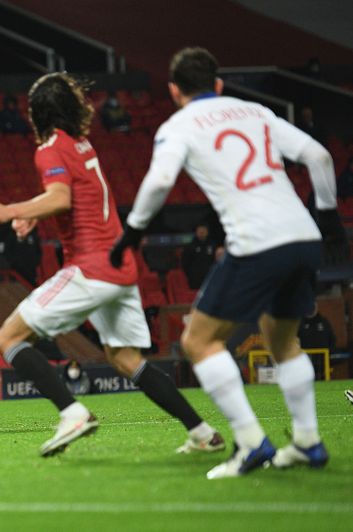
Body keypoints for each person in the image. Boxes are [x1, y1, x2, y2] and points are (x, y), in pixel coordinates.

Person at [110, 47, 343, 478]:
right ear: (218, 84)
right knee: (282, 339)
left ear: (174, 90)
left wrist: (134, 231)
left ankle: (252, 443)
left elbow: (161, 180)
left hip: (257, 242)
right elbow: (320, 157)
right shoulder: (255, 111)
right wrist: (329, 216)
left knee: (199, 341)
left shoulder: (178, 125)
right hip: (303, 237)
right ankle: (308, 441)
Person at [0, 72, 223, 458]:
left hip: (91, 267)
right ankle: (203, 432)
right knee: (124, 358)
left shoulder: (50, 148)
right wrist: (37, 214)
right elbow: (73, 195)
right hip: (121, 267)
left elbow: (60, 198)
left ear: (38, 113)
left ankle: (72, 413)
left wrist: (11, 210)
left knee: (9, 338)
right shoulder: (81, 145)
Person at [0, 220, 41, 286]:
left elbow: (38, 250)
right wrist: (14, 262)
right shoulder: (10, 237)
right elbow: (7, 253)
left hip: (31, 269)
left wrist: (35, 261)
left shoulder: (33, 235)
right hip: (16, 270)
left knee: (31, 286)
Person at [180, 224, 215, 289]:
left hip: (209, 278)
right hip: (195, 280)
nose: (201, 233)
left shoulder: (212, 245)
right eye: (200, 231)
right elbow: (185, 263)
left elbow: (215, 261)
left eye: (203, 231)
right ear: (196, 232)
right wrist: (192, 275)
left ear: (207, 232)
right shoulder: (190, 246)